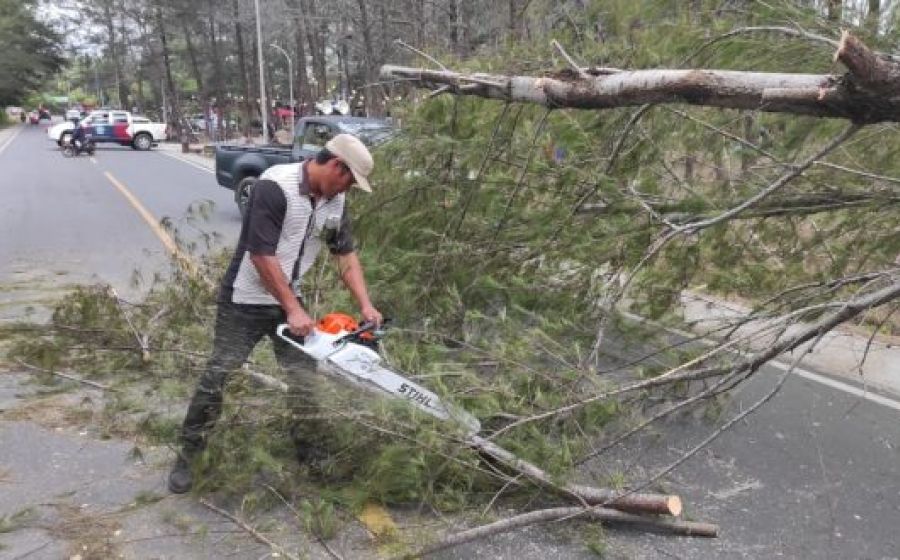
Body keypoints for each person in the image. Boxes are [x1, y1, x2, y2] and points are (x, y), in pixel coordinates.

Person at [168, 133, 383, 494]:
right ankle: (188, 456)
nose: (349, 189)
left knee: (304, 379)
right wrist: (293, 309)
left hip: (289, 302)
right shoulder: (275, 187)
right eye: (349, 179)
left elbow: (344, 255)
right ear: (335, 165)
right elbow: (261, 256)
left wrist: (365, 304)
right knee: (219, 374)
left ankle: (310, 456)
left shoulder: (335, 202)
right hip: (245, 301)